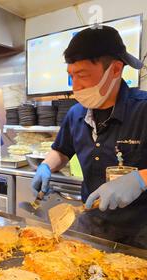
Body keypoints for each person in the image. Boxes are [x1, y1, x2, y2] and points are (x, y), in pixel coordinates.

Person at [32, 26, 147, 248]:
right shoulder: (76, 114)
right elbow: (61, 151)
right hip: (91, 229)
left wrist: (140, 179)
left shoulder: (143, 110)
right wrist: (46, 166)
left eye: (82, 75)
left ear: (115, 70)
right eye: (71, 76)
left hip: (140, 235)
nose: (76, 86)